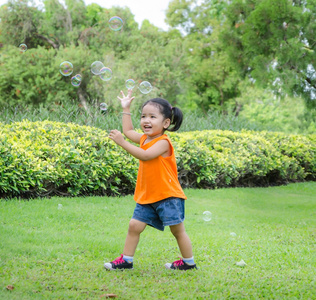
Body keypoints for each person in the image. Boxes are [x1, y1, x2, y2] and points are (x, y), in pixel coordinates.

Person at [104, 89, 197, 271]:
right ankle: (126, 260)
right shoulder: (145, 138)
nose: (146, 120)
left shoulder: (163, 142)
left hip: (167, 196)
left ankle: (188, 262)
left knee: (177, 231)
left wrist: (123, 143)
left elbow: (145, 156)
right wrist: (126, 108)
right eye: (143, 116)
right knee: (134, 225)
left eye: (152, 117)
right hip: (148, 195)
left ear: (166, 122)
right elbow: (128, 130)